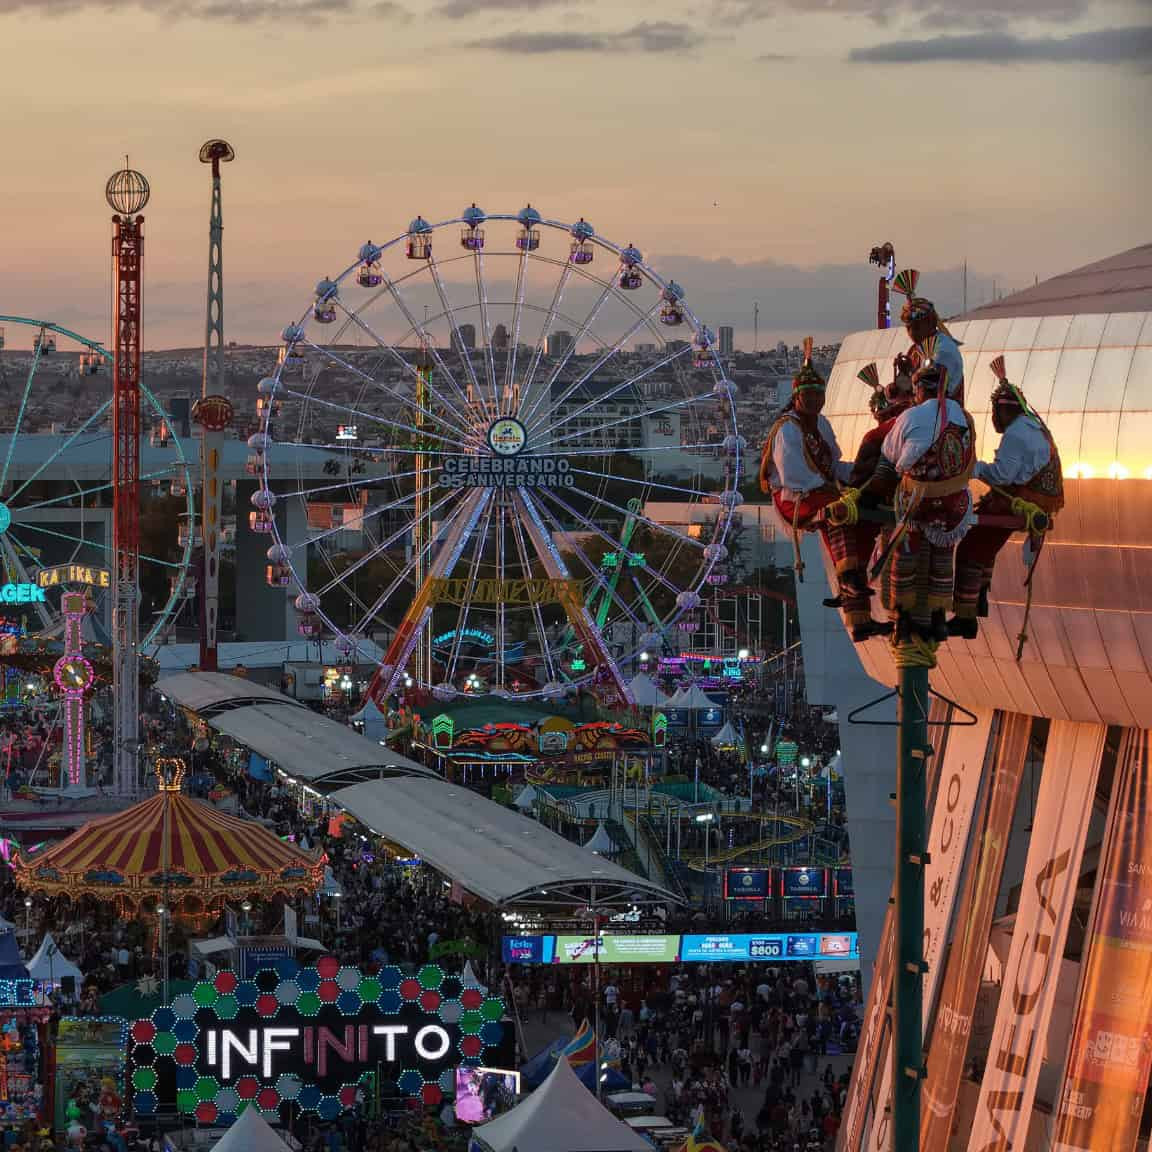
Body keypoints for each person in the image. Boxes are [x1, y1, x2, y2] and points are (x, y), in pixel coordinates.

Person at [950, 360, 1064, 637]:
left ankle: (966, 616)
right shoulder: (1034, 426)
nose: (994, 417)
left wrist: (973, 467)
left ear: (1004, 410)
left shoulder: (1016, 433)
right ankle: (977, 600)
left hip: (1023, 501)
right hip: (1036, 500)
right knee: (983, 545)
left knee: (970, 549)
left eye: (996, 411)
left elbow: (1002, 475)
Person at [878, 354, 975, 642]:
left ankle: (903, 617)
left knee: (905, 553)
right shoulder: (961, 415)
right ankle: (939, 617)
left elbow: (890, 453)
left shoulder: (910, 416)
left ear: (920, 390)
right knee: (943, 557)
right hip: (953, 505)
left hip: (917, 504)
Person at [760, 338, 853, 589]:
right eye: (808, 395)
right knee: (839, 510)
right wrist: (834, 490)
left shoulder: (821, 423)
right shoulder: (787, 429)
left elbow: (833, 464)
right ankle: (846, 573)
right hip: (794, 497)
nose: (815, 400)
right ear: (797, 397)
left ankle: (855, 567)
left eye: (818, 394)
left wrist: (859, 473)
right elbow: (793, 477)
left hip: (819, 489)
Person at [893, 268, 965, 403]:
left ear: (931, 322)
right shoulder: (915, 351)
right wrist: (903, 376)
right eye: (908, 328)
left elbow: (930, 392)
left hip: (945, 412)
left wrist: (912, 374)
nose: (912, 333)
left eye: (916, 327)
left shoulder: (944, 350)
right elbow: (906, 394)